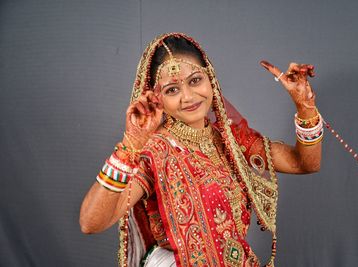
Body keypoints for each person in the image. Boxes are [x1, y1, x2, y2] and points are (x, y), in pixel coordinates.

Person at [80, 32, 322, 267]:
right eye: (172, 90)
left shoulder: (229, 139)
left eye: (195, 80)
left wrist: (305, 106)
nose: (188, 97)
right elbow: (90, 223)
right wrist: (130, 146)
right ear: (157, 98)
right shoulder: (155, 151)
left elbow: (305, 163)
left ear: (211, 80)